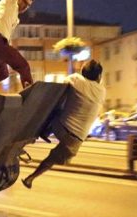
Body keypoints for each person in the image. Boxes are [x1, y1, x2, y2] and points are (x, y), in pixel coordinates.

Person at [22, 60, 106, 188]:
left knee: (58, 107)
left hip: (60, 127)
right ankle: (31, 178)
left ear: (83, 72)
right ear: (99, 76)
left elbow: (56, 90)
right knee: (51, 160)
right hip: (76, 140)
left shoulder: (76, 79)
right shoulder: (102, 91)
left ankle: (43, 131)